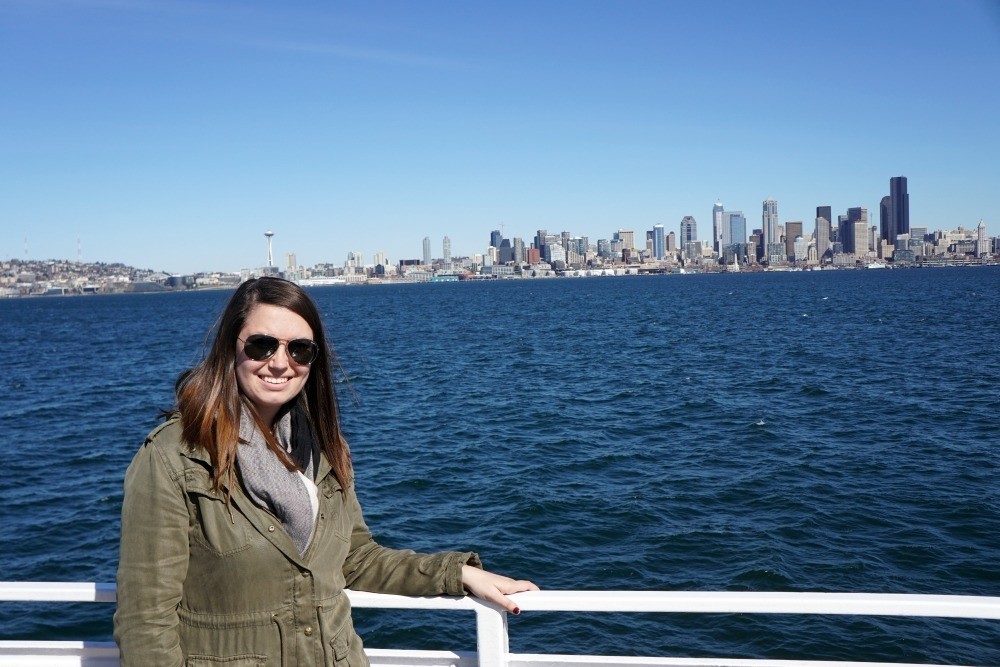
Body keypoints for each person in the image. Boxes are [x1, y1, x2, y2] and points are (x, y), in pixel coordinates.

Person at [114, 276, 537, 666]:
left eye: (299, 349)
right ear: (230, 347)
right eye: (262, 345)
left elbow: (355, 557)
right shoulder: (175, 456)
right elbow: (145, 622)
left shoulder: (322, 447)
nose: (280, 363)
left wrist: (456, 573)